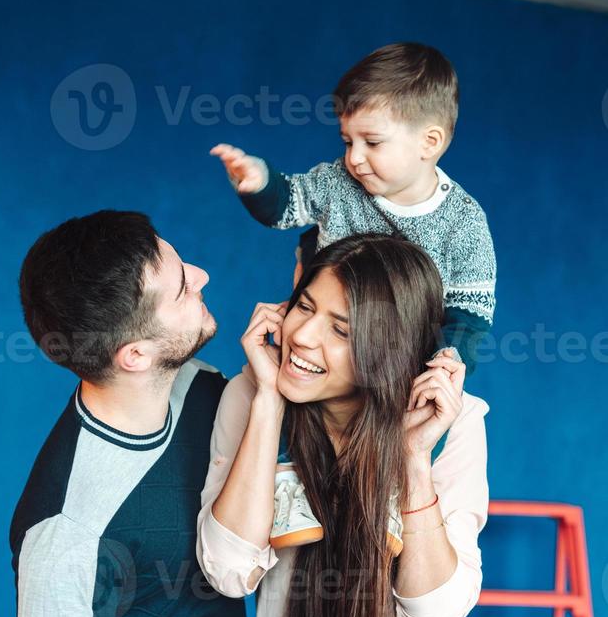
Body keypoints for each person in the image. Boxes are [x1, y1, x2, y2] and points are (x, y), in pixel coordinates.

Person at [194, 232, 569, 617]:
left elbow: (436, 616)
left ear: (388, 348)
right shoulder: (251, 397)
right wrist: (267, 402)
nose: (305, 338)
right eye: (305, 307)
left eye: (342, 329)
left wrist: (414, 457)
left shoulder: (454, 423)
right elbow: (229, 569)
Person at [9, 210, 273, 617]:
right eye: (183, 284)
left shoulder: (201, 391)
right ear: (134, 355)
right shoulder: (68, 527)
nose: (204, 276)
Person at [210, 41, 496, 376]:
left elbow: (470, 313)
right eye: (348, 142)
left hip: (396, 370)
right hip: (319, 352)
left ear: (429, 142)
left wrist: (448, 359)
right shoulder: (338, 182)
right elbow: (287, 204)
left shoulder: (463, 222)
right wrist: (260, 183)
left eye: (372, 142)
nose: (354, 158)